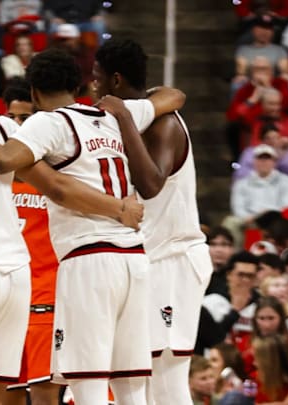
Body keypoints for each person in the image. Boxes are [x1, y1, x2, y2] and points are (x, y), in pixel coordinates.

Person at [0, 51, 184, 404]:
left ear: (34, 94)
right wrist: (126, 110)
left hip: (90, 258)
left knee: (89, 384)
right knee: (131, 386)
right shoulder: (110, 115)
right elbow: (175, 96)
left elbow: (4, 160)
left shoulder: (48, 123)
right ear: (79, 84)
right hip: (135, 258)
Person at [93, 39, 213, 405]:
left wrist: (125, 118)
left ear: (115, 80)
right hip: (151, 258)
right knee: (138, 375)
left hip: (174, 260)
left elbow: (152, 185)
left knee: (167, 379)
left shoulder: (164, 126)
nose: (94, 87)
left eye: (98, 79)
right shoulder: (145, 110)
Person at [1, 81, 59, 405]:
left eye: (25, 117)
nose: (18, 126)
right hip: (4, 306)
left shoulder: (59, 178)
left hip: (45, 304)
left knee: (44, 400)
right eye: (13, 117)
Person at [251, 334, 288, 404]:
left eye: (257, 359)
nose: (254, 363)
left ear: (272, 362)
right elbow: (247, 399)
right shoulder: (253, 378)